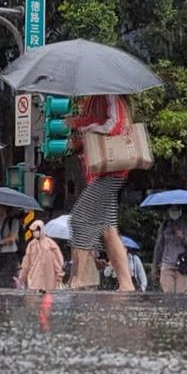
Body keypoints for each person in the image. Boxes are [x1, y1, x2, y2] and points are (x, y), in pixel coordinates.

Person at [66, 95, 134, 292]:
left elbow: (113, 125)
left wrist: (81, 125)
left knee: (80, 219)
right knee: (109, 231)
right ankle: (126, 283)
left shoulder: (110, 95)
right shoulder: (90, 102)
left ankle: (78, 279)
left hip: (111, 170)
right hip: (98, 172)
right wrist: (76, 135)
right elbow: (87, 140)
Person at [151, 206, 187, 293]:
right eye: (171, 210)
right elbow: (159, 246)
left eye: (175, 210)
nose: (173, 212)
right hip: (166, 265)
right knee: (167, 295)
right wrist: (155, 266)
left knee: (181, 296)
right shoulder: (165, 225)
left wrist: (183, 238)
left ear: (180, 210)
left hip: (183, 267)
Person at [17, 220, 64, 291]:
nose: (35, 232)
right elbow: (26, 262)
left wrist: (59, 275)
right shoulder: (31, 245)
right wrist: (22, 277)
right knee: (34, 299)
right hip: (34, 277)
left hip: (49, 277)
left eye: (37, 230)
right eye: (33, 230)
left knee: (48, 298)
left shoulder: (50, 244)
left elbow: (57, 261)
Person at [0, 204, 22, 286]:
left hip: (9, 254)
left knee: (6, 279)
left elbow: (12, 238)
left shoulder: (13, 221)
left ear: (3, 207)